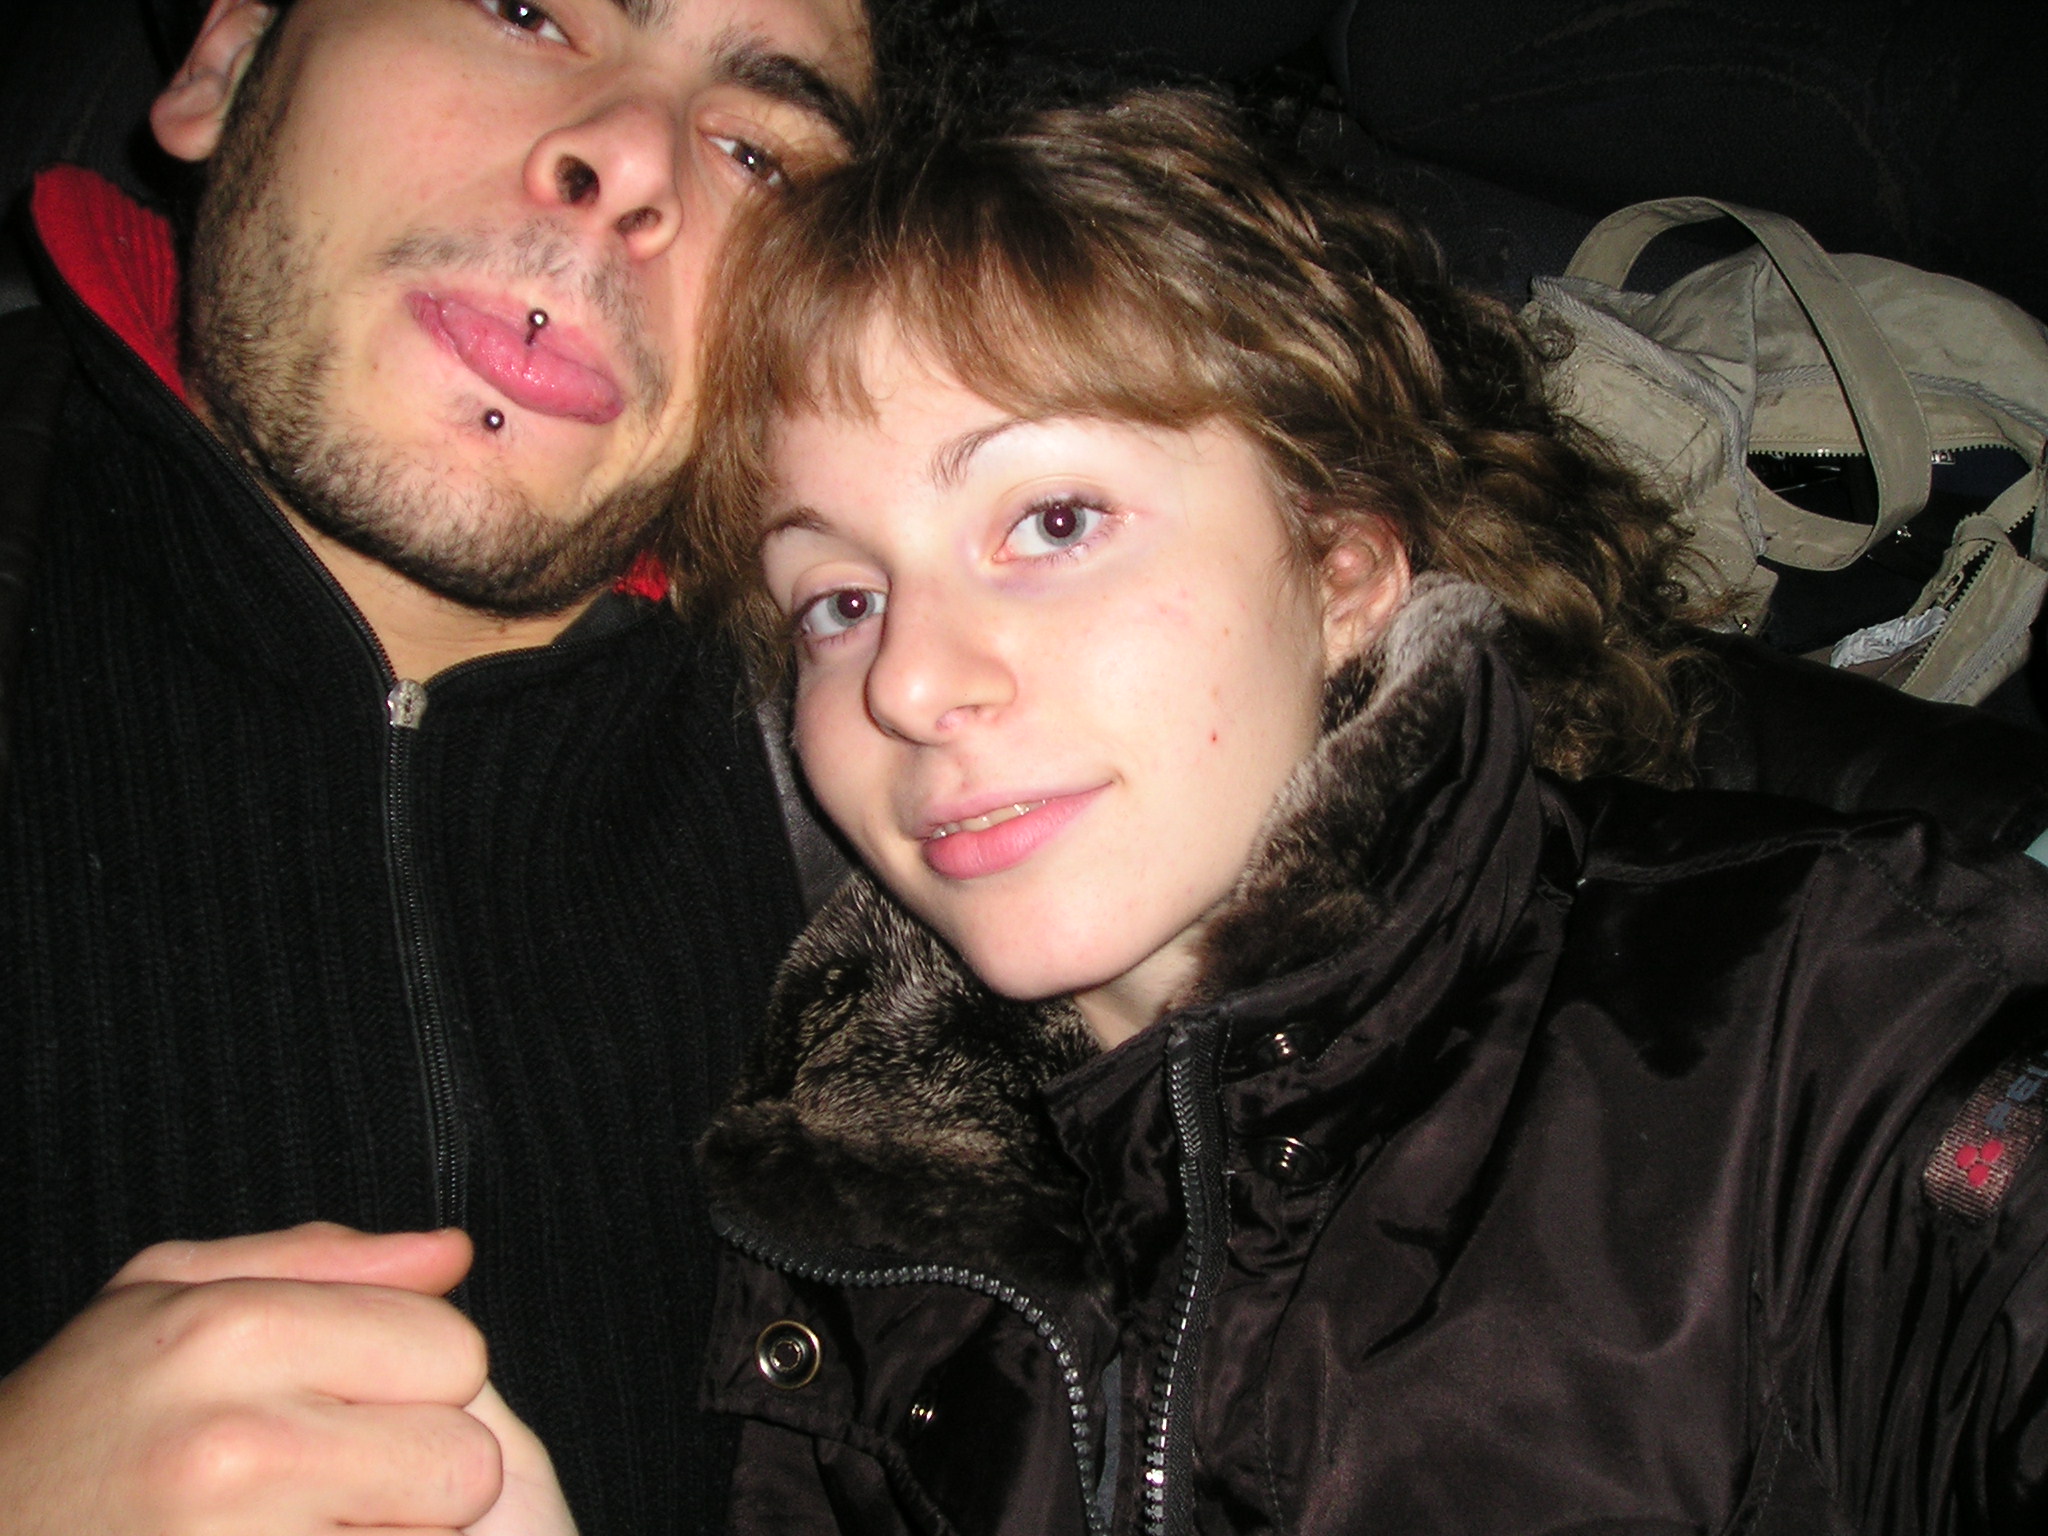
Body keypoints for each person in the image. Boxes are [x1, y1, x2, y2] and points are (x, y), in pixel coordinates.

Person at [680, 87, 2048, 1533]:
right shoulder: (841, 1258)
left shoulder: (1820, 1016)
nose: (910, 683)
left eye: (1054, 521)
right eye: (840, 601)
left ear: (1342, 568)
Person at [0, 0, 958, 1529]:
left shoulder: (944, 799)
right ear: (226, 62)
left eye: (757, 153)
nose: (631, 162)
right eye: (525, 11)